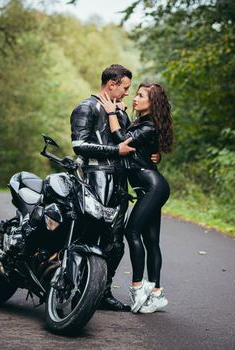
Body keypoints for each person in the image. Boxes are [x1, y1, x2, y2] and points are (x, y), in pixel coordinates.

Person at [99, 82, 173, 314]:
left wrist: (111, 112)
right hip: (150, 186)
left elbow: (122, 139)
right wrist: (119, 111)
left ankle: (138, 288)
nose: (135, 98)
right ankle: (157, 294)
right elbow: (143, 147)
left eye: (141, 95)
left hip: (153, 187)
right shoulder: (142, 123)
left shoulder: (148, 126)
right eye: (136, 94)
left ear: (153, 103)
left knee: (131, 232)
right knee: (151, 241)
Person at [70, 64, 136, 311]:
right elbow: (79, 144)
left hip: (119, 184)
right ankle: (76, 289)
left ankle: (103, 293)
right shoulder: (85, 107)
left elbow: (127, 140)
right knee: (87, 236)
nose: (127, 93)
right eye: (125, 88)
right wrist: (115, 151)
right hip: (94, 180)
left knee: (116, 244)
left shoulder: (119, 110)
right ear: (112, 84)